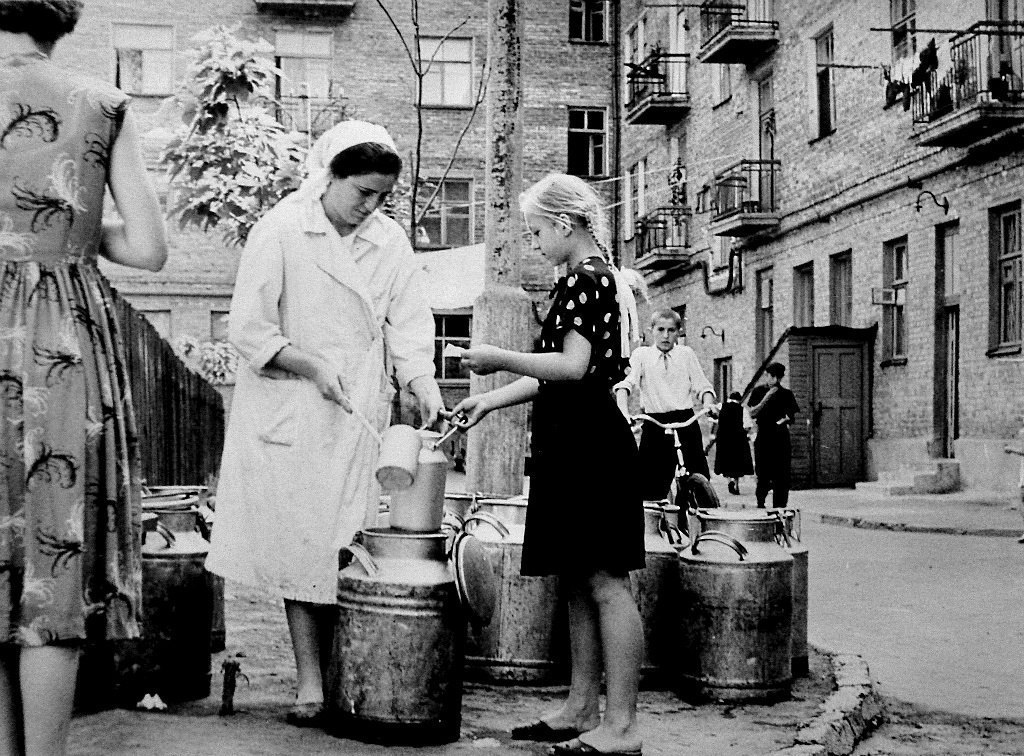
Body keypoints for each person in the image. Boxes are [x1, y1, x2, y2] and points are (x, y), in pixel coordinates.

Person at [205, 121, 443, 726]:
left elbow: (409, 324)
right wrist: (310, 365)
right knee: (303, 546)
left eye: (382, 196)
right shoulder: (283, 228)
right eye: (362, 191)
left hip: (360, 406)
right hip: (294, 408)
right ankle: (312, 682)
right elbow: (249, 328)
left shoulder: (388, 242)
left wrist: (422, 382)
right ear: (329, 176)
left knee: (350, 543)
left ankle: (351, 674)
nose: (371, 206)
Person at [0, 2, 169, 753]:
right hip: (61, 343)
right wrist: (65, 221)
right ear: (59, 20)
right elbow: (149, 249)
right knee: (53, 551)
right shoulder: (102, 102)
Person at [451, 173, 644, 756]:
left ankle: (623, 726)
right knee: (579, 582)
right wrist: (490, 398)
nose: (533, 242)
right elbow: (558, 377)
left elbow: (574, 367)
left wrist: (496, 356)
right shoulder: (590, 278)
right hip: (574, 436)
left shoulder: (587, 279)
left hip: (589, 444)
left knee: (607, 582)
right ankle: (583, 707)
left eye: (536, 230)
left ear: (565, 224)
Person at [614, 309, 716, 502]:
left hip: (686, 420)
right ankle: (653, 526)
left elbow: (702, 385)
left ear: (679, 331)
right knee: (649, 485)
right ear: (652, 330)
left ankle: (702, 523)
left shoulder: (686, 354)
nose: (666, 335)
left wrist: (708, 403)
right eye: (660, 329)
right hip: (656, 423)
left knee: (700, 480)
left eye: (671, 330)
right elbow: (626, 384)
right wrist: (623, 412)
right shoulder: (641, 355)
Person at [748, 362, 799, 508]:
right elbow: (752, 412)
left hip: (781, 438)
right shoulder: (758, 392)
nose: (766, 379)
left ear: (776, 378)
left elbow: (791, 417)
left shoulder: (786, 394)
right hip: (764, 436)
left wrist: (785, 419)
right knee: (763, 473)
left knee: (782, 475)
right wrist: (766, 398)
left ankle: (779, 507)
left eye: (769, 376)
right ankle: (761, 502)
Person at [715, 392, 754, 495]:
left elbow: (713, 413)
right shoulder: (742, 409)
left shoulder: (721, 406)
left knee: (726, 462)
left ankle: (730, 480)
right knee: (737, 463)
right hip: (738, 440)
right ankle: (736, 484)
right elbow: (747, 425)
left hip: (724, 439)